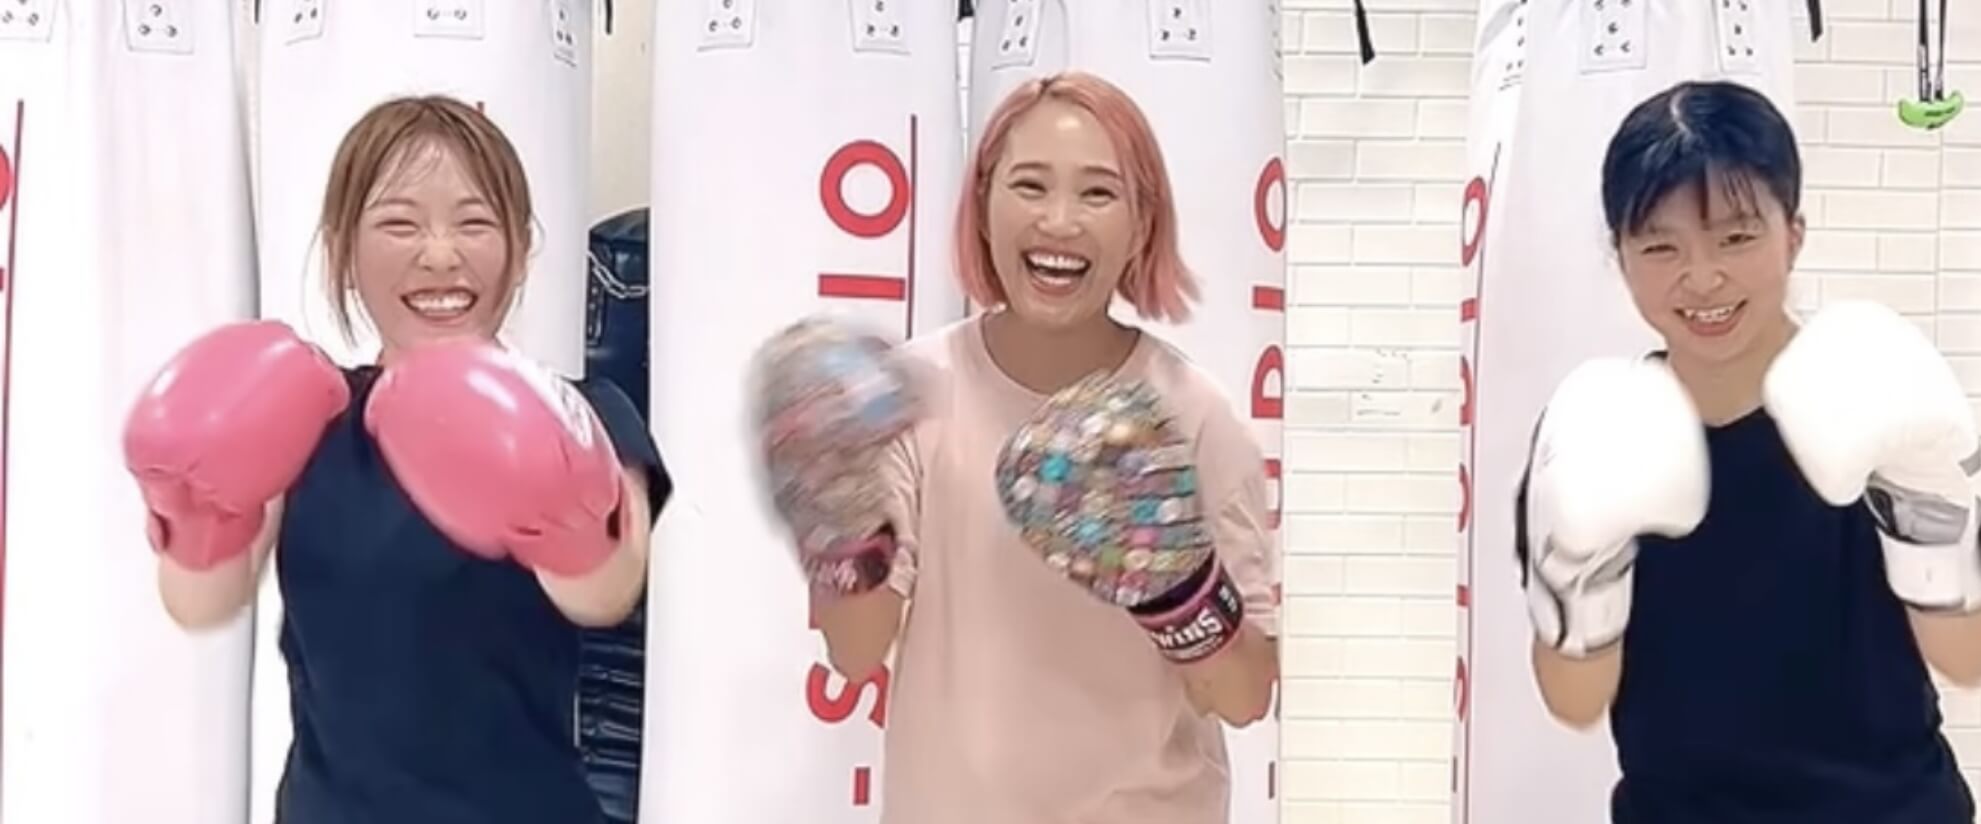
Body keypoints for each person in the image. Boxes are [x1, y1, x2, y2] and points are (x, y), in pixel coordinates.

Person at [120, 95, 672, 823]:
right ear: (345, 250)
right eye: (399, 224)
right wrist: (194, 511)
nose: (439, 255)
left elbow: (605, 593)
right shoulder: (306, 415)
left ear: (520, 247)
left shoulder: (585, 412)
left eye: (474, 223)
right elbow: (200, 602)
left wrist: (555, 502)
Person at [750, 71, 1279, 824]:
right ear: (984, 202)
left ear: (1141, 223)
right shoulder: (913, 396)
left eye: (1098, 193)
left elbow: (1246, 695)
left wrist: (1177, 586)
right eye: (1030, 185)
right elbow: (856, 650)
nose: (1059, 220)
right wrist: (835, 513)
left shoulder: (1195, 413)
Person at [1514, 79, 1981, 823]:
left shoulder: (1870, 389)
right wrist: (1575, 579)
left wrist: (1931, 505)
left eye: (1736, 237)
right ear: (1620, 255)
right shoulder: (1597, 428)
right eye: (1660, 246)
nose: (1702, 276)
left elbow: (1971, 655)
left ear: (1793, 234)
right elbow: (1575, 700)